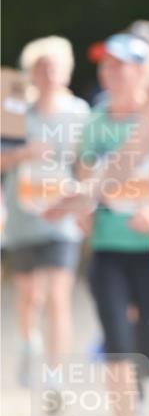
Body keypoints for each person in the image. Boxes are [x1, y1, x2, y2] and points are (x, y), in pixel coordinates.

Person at [48, 32, 149, 416]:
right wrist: (81, 208)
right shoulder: (96, 121)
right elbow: (86, 174)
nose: (109, 72)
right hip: (108, 249)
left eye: (118, 64)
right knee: (119, 349)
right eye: (104, 65)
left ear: (142, 69)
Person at [1, 36, 89, 392]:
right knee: (29, 296)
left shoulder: (81, 113)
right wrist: (24, 155)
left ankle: (56, 378)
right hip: (23, 216)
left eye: (56, 66)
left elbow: (88, 164)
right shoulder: (16, 111)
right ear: (31, 73)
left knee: (56, 297)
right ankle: (28, 343)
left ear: (66, 71)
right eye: (42, 67)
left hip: (62, 218)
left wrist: (85, 202)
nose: (50, 73)